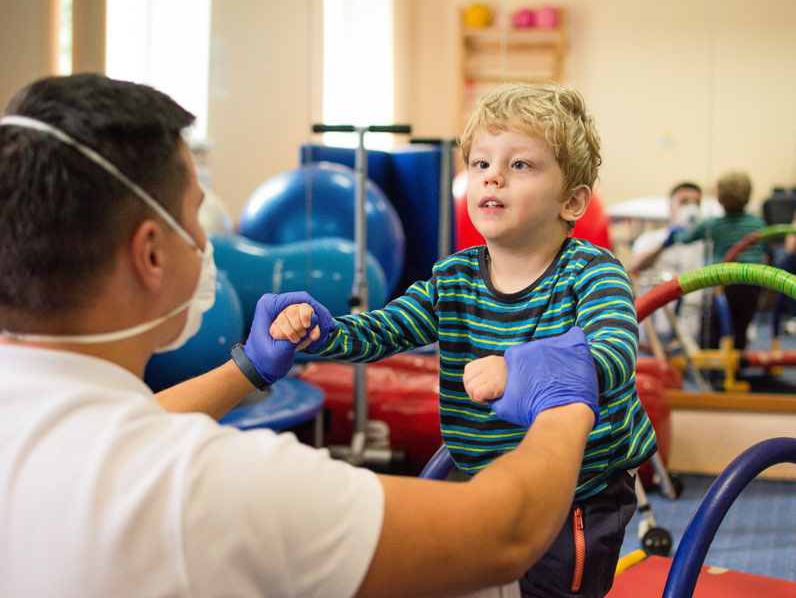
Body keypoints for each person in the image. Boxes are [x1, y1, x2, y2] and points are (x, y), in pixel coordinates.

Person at [0, 73, 603, 598]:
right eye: (195, 215)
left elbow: (134, 421)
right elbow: (506, 535)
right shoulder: (217, 483)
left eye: (518, 165)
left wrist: (247, 369)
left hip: (585, 500)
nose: (213, 243)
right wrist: (564, 403)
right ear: (151, 254)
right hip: (515, 486)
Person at [271, 82, 657, 598]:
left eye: (520, 165)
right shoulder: (454, 277)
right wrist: (323, 334)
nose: (493, 175)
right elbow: (388, 328)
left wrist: (519, 367)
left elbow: (614, 353)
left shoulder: (592, 273)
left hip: (580, 493)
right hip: (488, 477)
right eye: (480, 164)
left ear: (572, 201)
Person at [667, 170, 766, 350]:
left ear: (719, 199)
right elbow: (765, 248)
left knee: (714, 324)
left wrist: (676, 232)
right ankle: (737, 363)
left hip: (724, 283)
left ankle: (711, 363)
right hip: (753, 281)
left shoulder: (714, 224)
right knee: (741, 325)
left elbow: (685, 239)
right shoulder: (757, 223)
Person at [629, 182, 705, 346]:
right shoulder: (651, 239)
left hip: (693, 324)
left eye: (696, 203)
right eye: (684, 202)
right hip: (655, 322)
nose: (690, 208)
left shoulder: (706, 244)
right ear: (671, 206)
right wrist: (664, 244)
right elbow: (635, 266)